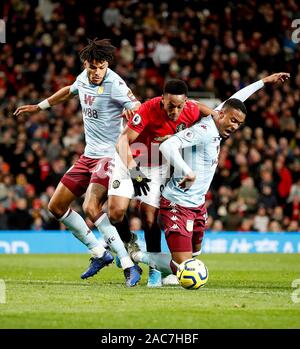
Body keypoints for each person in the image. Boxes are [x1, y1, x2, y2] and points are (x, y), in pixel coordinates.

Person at [129, 72, 290, 276]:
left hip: (197, 204)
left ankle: (171, 273)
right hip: (178, 203)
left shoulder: (219, 120)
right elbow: (168, 145)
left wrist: (264, 82)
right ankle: (134, 255)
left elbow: (237, 99)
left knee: (194, 256)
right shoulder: (205, 130)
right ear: (221, 114)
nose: (234, 126)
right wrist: (186, 171)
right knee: (184, 268)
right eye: (232, 120)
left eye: (238, 124)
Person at [13, 38, 142, 287]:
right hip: (88, 156)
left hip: (110, 156)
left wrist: (132, 111)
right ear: (86, 64)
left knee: (92, 207)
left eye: (101, 67)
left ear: (107, 65)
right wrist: (39, 107)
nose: (96, 73)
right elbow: (70, 90)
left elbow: (138, 106)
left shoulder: (116, 84)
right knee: (56, 206)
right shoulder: (83, 77)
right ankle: (99, 253)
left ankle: (128, 264)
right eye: (92, 67)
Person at [107, 79, 216, 287]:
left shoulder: (192, 109)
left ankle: (154, 269)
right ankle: (129, 241)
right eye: (170, 106)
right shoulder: (148, 109)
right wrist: (134, 172)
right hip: (128, 159)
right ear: (162, 99)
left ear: (186, 102)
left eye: (179, 106)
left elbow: (211, 114)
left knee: (149, 215)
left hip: (156, 167)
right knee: (115, 212)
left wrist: (221, 121)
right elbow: (122, 142)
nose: (175, 111)